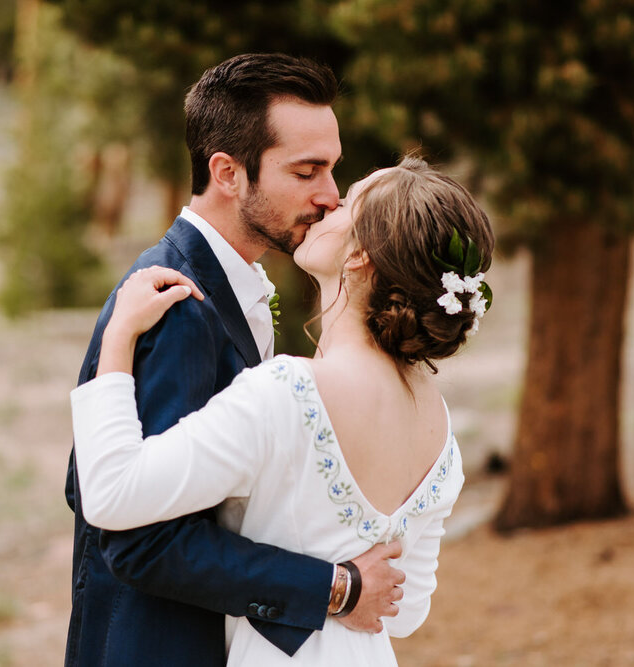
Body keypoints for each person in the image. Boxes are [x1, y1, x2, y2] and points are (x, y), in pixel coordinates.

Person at [71, 156, 495, 665]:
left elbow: (112, 493)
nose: (329, 203)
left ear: (361, 258)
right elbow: (405, 611)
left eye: (347, 205)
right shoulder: (439, 426)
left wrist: (118, 337)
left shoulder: (289, 393)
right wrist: (342, 586)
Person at [64, 53, 405, 667]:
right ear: (227, 172)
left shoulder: (232, 283)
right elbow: (138, 539)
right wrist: (332, 586)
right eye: (307, 171)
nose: (330, 196)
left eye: (332, 168)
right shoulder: (177, 303)